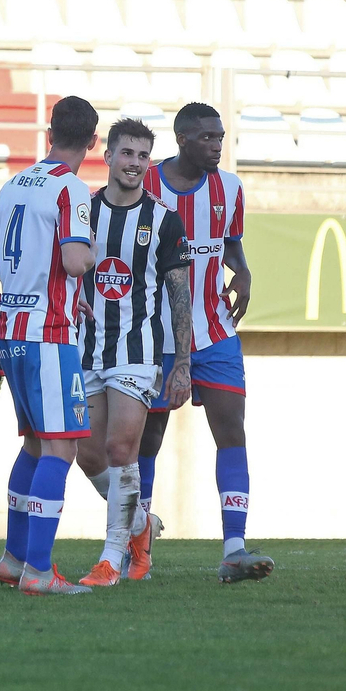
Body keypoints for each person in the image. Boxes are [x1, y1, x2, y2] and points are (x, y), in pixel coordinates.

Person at [140, 103, 274, 583]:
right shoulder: (147, 185)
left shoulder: (230, 188)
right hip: (155, 334)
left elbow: (230, 243)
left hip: (216, 331)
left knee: (231, 431)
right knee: (147, 437)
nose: (217, 145)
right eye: (207, 138)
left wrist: (245, 270)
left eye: (221, 137)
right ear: (182, 139)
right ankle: (139, 545)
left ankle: (234, 548)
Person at [0, 96, 99, 596]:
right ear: (94, 142)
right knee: (62, 447)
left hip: (10, 328)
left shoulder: (13, 183)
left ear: (49, 133)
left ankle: (13, 559)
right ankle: (40, 573)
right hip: (48, 335)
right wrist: (89, 259)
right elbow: (74, 262)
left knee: (33, 443)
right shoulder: (72, 190)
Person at [74, 117, 192, 586]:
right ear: (107, 156)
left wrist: (181, 361)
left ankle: (111, 559)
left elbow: (179, 293)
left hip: (137, 350)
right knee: (88, 455)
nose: (136, 164)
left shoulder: (163, 220)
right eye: (128, 153)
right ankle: (142, 527)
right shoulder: (81, 211)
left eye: (144, 156)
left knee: (122, 448)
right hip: (84, 348)